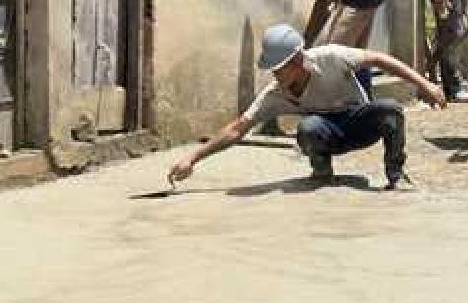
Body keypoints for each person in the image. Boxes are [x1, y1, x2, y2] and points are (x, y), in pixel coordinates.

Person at [167, 25, 445, 190]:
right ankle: (322, 172)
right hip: (326, 132)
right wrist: (193, 158)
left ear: (298, 60)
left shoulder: (332, 57)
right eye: (273, 70)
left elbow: (381, 60)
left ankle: (396, 175)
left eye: (281, 68)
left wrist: (425, 85)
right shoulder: (275, 94)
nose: (277, 75)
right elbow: (238, 128)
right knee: (308, 127)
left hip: (357, 120)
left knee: (390, 109)